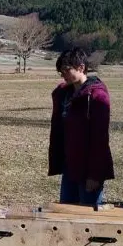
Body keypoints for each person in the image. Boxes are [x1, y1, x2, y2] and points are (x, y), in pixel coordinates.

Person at [48, 48, 114, 205]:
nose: (63, 74)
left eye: (66, 70)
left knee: (89, 218)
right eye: (60, 71)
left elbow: (100, 138)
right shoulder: (64, 94)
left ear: (81, 67)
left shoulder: (97, 96)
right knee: (67, 214)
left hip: (89, 169)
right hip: (70, 166)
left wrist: (95, 175)